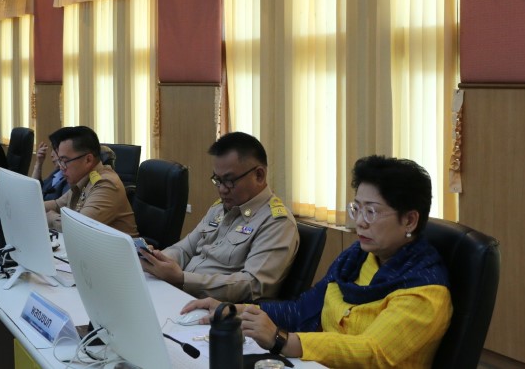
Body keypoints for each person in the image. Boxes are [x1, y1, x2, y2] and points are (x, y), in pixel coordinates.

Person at [182, 155, 452, 368]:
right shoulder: (356, 260)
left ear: (409, 220)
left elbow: (372, 351)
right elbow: (302, 310)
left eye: (371, 211)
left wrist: (284, 341)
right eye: (357, 208)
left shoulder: (424, 291)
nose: (359, 221)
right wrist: (236, 310)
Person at [140, 132, 299, 302]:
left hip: (212, 309)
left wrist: (183, 279)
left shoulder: (276, 222)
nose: (222, 189)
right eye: (218, 180)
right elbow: (185, 249)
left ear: (259, 175)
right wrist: (157, 260)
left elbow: (252, 284)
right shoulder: (220, 208)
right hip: (179, 293)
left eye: (230, 180)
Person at [43, 126, 138, 236]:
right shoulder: (84, 179)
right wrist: (32, 207)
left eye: (65, 161)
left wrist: (51, 218)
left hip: (115, 247)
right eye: (60, 161)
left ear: (88, 160)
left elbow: (80, 228)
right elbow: (57, 205)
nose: (61, 167)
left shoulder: (106, 184)